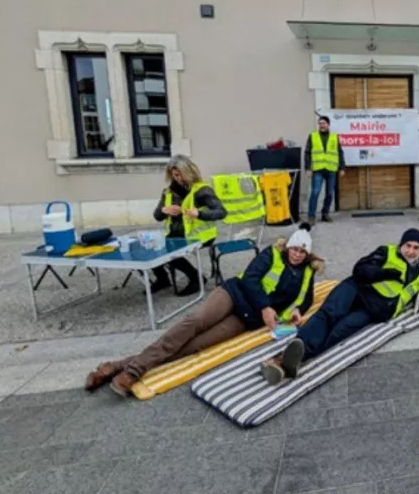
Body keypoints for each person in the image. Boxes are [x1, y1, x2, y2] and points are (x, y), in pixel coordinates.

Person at [84, 223, 323, 397]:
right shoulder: (271, 254)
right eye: (294, 249)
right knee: (194, 322)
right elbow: (250, 278)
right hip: (232, 295)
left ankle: (115, 367)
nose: (296, 254)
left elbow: (307, 298)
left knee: (193, 346)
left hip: (245, 319)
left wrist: (298, 311)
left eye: (302, 252)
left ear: (307, 254)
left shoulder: (307, 272)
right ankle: (134, 372)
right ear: (288, 246)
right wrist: (265, 307)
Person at [260, 228, 419, 385]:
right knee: (329, 314)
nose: (410, 251)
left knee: (339, 331)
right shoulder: (387, 252)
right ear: (400, 245)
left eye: (416, 247)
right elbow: (360, 269)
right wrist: (385, 273)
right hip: (356, 288)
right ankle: (283, 357)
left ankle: (291, 360)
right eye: (407, 245)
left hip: (374, 309)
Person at [151, 155, 226, 296]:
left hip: (199, 235)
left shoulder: (202, 190)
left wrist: (199, 214)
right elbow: (156, 216)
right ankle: (162, 279)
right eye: (175, 175)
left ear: (189, 172)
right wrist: (164, 210)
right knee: (152, 247)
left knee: (170, 253)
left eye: (180, 175)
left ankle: (197, 279)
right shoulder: (168, 192)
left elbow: (221, 212)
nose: (178, 178)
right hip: (175, 234)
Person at [304, 115, 346, 224]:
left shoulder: (334, 136)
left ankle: (325, 214)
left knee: (329, 193)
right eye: (320, 123)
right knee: (315, 192)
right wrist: (308, 168)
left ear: (328, 124)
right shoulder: (312, 136)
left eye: (324, 123)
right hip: (318, 170)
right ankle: (311, 216)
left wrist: (342, 167)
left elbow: (340, 152)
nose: (322, 125)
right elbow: (307, 153)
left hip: (331, 169)